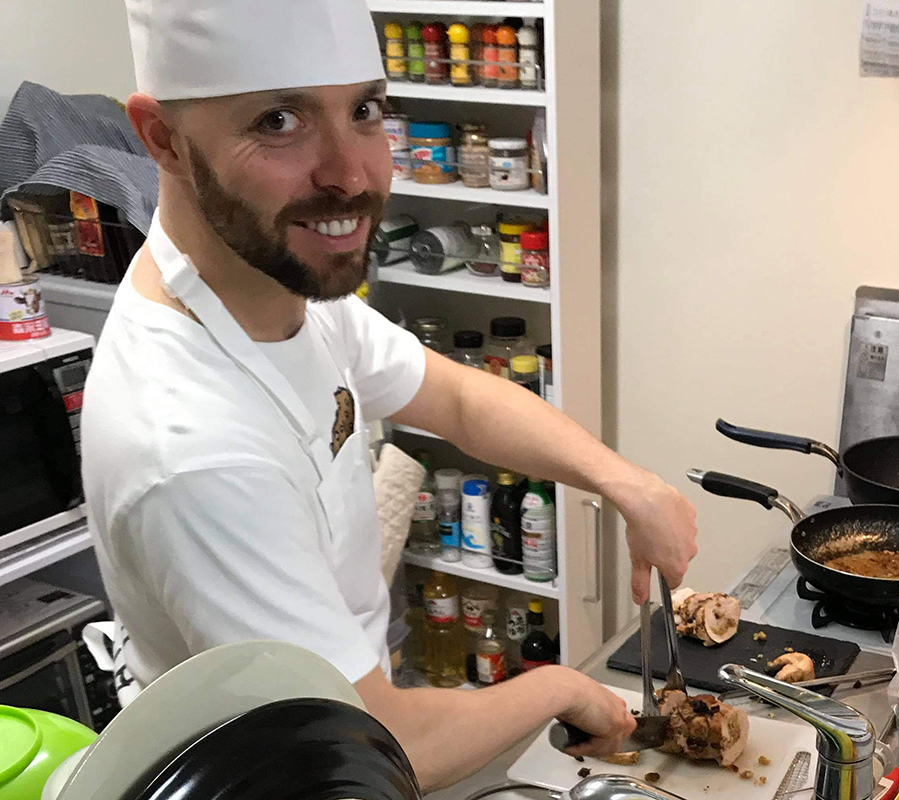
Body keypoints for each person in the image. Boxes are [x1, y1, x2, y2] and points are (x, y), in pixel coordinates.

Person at [81, 0, 697, 790]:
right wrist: (566, 687)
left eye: (366, 110)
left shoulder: (277, 291)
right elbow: (377, 740)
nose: (352, 173)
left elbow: (457, 399)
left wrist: (625, 483)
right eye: (278, 121)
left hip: (336, 716)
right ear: (162, 137)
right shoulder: (194, 450)